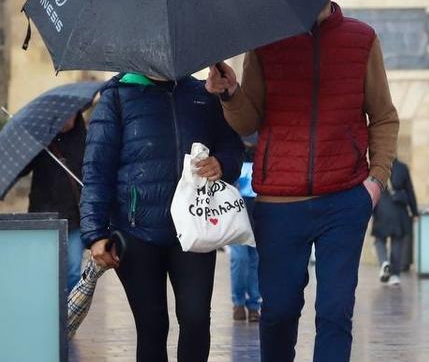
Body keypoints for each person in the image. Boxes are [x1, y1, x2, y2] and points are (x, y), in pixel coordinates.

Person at [206, 2, 399, 362]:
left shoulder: (361, 39)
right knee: (278, 313)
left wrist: (375, 182)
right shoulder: (265, 42)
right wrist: (230, 93)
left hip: (344, 199)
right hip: (279, 203)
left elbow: (384, 117)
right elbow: (248, 122)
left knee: (335, 312)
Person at [81, 72, 243, 362]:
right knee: (152, 326)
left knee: (195, 320)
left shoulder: (203, 94)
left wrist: (222, 163)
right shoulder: (116, 97)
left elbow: (232, 148)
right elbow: (96, 170)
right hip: (136, 231)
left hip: (195, 230)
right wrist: (95, 234)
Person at [21, 110, 87, 292]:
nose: (68, 119)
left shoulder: (84, 140)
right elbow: (23, 170)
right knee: (46, 269)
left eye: (72, 115)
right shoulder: (43, 143)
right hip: (44, 215)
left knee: (73, 269)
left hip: (74, 217)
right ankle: (49, 309)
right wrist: (33, 148)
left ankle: (68, 314)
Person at [371, 157, 418, 286]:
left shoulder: (377, 167)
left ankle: (384, 262)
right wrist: (415, 212)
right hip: (399, 211)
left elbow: (371, 190)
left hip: (382, 209)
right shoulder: (403, 168)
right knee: (397, 241)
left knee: (379, 240)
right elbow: (410, 191)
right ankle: (395, 275)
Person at [230, 134, 262, 323]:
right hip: (237, 218)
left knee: (255, 262)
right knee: (239, 259)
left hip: (258, 216)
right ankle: (238, 302)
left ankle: (254, 305)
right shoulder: (233, 149)